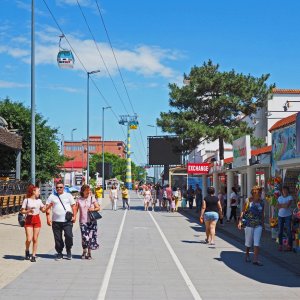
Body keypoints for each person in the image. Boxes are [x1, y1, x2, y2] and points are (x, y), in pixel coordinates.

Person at [46, 181, 76, 260]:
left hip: (67, 221)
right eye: (57, 187)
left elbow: (74, 206)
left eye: (60, 187)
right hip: (56, 221)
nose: (59, 189)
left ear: (64, 188)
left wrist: (75, 216)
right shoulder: (52, 196)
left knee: (69, 236)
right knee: (58, 238)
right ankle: (59, 252)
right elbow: (47, 208)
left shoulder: (68, 195)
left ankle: (68, 250)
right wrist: (48, 218)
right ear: (55, 188)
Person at [238, 186, 265, 266]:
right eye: (258, 192)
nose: (260, 194)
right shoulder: (248, 201)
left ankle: (255, 259)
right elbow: (243, 211)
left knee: (257, 242)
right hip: (249, 224)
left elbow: (262, 214)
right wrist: (240, 222)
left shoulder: (262, 202)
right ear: (254, 193)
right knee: (248, 242)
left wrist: (263, 224)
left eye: (260, 192)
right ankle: (247, 254)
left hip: (258, 224)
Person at [20, 185, 48, 262]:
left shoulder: (39, 201)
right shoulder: (26, 200)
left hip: (37, 220)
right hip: (28, 220)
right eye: (38, 191)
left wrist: (48, 207)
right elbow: (22, 211)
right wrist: (28, 211)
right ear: (33, 191)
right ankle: (27, 250)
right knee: (29, 239)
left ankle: (33, 255)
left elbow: (43, 210)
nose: (39, 193)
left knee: (35, 239)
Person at [76, 185, 100, 259]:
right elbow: (75, 210)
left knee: (90, 237)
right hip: (83, 222)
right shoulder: (79, 200)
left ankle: (89, 253)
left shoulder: (92, 198)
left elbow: (98, 207)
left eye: (89, 190)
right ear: (82, 191)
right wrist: (72, 217)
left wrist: (92, 209)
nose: (88, 192)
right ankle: (84, 251)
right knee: (84, 237)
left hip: (92, 221)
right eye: (86, 191)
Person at [277, 186, 294, 251]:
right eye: (283, 190)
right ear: (282, 191)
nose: (284, 191)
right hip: (280, 216)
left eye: (286, 190)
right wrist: (283, 205)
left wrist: (281, 205)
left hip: (288, 216)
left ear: (287, 190)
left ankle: (289, 245)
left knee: (289, 231)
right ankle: (280, 245)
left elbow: (287, 206)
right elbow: (277, 206)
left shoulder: (290, 197)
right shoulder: (279, 198)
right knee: (280, 231)